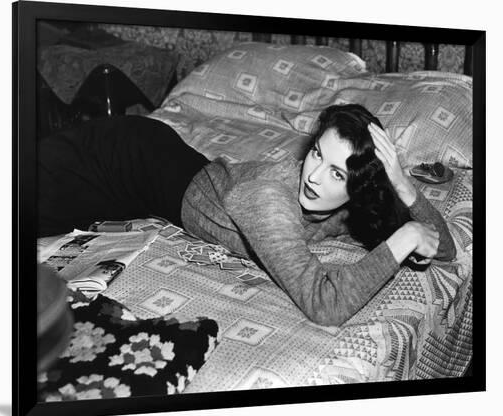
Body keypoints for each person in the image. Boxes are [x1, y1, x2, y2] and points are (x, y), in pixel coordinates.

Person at [38, 104, 456, 326]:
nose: (313, 177)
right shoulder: (267, 197)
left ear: (358, 185)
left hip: (149, 183)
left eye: (336, 173)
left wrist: (403, 185)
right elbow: (324, 305)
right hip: (117, 157)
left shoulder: (350, 206)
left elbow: (445, 249)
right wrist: (404, 238)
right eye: (316, 154)